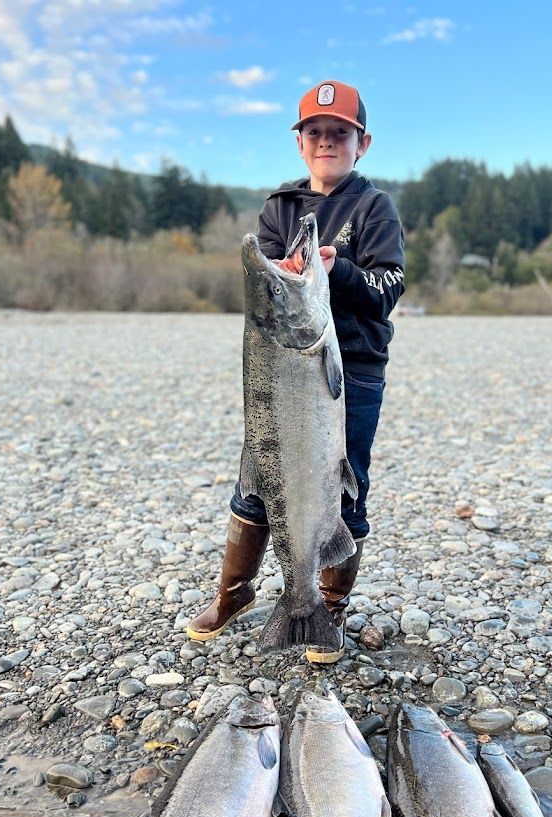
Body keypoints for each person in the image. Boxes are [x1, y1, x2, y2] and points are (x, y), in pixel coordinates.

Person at [187, 79, 405, 663]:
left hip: (349, 371)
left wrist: (338, 271)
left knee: (345, 486)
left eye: (340, 133)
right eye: (316, 132)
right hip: (281, 371)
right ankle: (234, 592)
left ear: (363, 143)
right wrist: (295, 270)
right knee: (256, 485)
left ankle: (321, 606)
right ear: (301, 143)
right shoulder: (280, 207)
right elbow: (268, 289)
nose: (327, 141)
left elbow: (389, 287)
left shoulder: (374, 207)